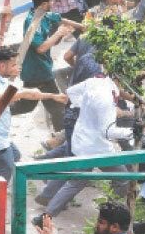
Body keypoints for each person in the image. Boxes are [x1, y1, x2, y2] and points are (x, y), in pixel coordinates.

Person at [0, 46, 65, 221]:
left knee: (15, 157)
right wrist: (27, 91)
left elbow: (27, 96)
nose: (17, 68)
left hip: (1, 138)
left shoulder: (0, 79)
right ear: (2, 66)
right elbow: (1, 99)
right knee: (3, 175)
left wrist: (52, 96)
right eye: (14, 65)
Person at [35, 74, 134, 219]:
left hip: (82, 142)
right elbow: (108, 131)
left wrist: (86, 107)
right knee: (123, 177)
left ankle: (44, 217)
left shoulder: (94, 81)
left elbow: (71, 92)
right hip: (97, 149)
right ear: (117, 80)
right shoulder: (105, 99)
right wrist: (133, 132)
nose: (124, 90)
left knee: (76, 182)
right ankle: (109, 216)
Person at [10, 0, 74, 134]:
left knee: (26, 106)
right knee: (58, 109)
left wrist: (83, 26)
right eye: (52, 1)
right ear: (44, 4)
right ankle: (60, 139)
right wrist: (59, 33)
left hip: (37, 69)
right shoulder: (33, 23)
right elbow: (40, 48)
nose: (54, 3)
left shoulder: (43, 14)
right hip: (38, 70)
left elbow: (60, 19)